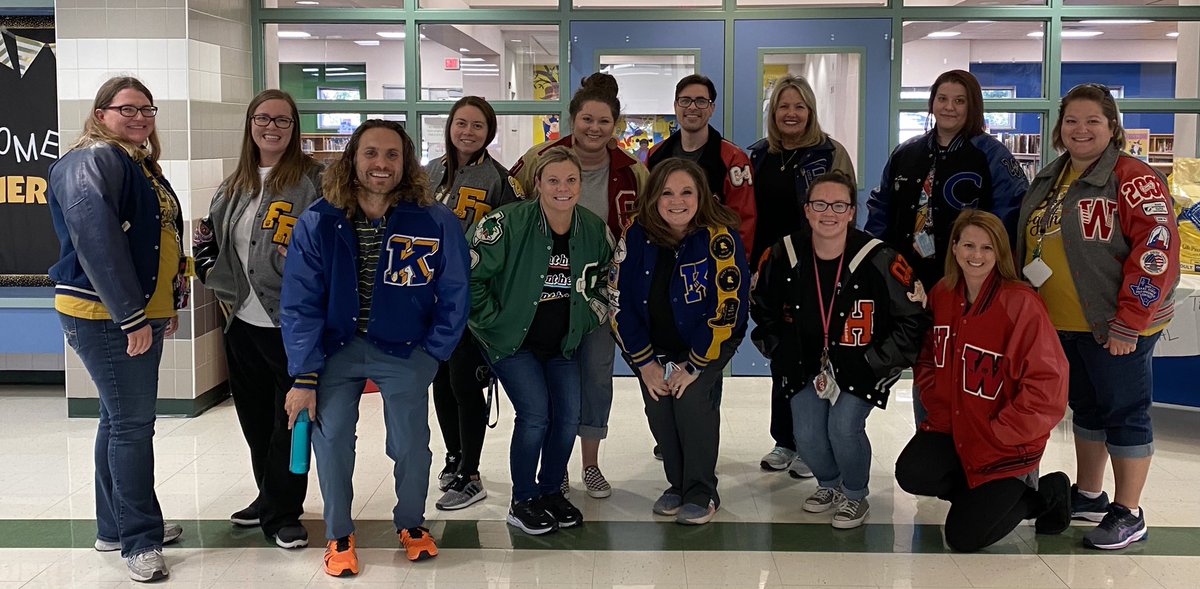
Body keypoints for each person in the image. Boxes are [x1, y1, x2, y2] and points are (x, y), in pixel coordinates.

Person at [280, 120, 470, 576]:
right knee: (333, 443)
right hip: (336, 352)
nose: (381, 164)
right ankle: (339, 533)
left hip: (406, 351)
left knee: (411, 445)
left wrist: (434, 353)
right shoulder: (319, 220)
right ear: (353, 159)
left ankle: (411, 523)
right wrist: (304, 375)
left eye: (391, 155)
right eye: (371, 153)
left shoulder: (434, 219)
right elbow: (299, 301)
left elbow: (457, 290)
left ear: (406, 163)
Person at [1015, 83, 1180, 550]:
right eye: (1071, 121)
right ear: (1059, 128)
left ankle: (1129, 512)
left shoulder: (1134, 177)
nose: (1080, 129)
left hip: (1117, 326)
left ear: (1112, 127)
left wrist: (1130, 321)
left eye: (1092, 121)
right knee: (1085, 409)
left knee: (1124, 414)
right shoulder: (1052, 175)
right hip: (1064, 323)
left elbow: (1157, 251)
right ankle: (1090, 495)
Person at [47, 76, 185, 582]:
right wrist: (131, 316)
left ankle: (116, 525)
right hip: (107, 316)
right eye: (126, 108)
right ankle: (139, 541)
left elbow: (157, 238)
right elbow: (97, 241)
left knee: (116, 420)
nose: (139, 116)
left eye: (146, 108)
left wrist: (166, 302)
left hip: (130, 311)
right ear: (100, 113)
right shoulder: (93, 160)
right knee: (131, 427)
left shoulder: (132, 162)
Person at [750, 171, 928, 529]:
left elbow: (913, 319)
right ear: (806, 209)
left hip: (862, 362)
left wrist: (876, 362)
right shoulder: (782, 253)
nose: (828, 212)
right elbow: (761, 306)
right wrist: (778, 350)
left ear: (851, 211)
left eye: (838, 205)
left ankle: (855, 494)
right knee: (808, 434)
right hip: (805, 363)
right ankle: (829, 485)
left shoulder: (880, 258)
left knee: (844, 426)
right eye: (819, 204)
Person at [895, 210, 1072, 552]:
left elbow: (1048, 385)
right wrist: (936, 403)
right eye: (968, 245)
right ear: (955, 248)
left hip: (1004, 440)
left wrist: (1003, 430)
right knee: (913, 473)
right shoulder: (944, 294)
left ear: (1000, 253)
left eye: (987, 248)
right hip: (956, 429)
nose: (976, 255)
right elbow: (928, 357)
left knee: (963, 538)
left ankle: (1042, 494)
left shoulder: (1020, 303)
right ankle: (982, 500)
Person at [193, 89, 321, 549]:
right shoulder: (235, 184)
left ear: (294, 127)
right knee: (253, 420)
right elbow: (206, 240)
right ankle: (269, 495)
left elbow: (332, 243)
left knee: (291, 422)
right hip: (242, 324)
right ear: (250, 124)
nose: (272, 127)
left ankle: (285, 511)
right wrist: (217, 282)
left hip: (292, 326)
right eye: (263, 118)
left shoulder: (314, 180)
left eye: (283, 121)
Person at [864, 69, 1029, 427]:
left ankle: (973, 440)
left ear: (974, 106)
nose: (949, 108)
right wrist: (873, 266)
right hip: (910, 282)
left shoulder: (993, 156)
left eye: (959, 100)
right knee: (927, 361)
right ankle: (932, 434)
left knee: (966, 361)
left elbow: (1012, 219)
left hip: (967, 283)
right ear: (932, 102)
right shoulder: (906, 153)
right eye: (942, 99)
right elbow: (881, 211)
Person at [511, 72, 648, 499]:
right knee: (552, 381)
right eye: (586, 119)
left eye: (604, 121)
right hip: (544, 292)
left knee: (595, 376)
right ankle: (556, 465)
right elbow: (510, 210)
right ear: (572, 119)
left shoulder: (633, 172)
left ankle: (590, 465)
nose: (594, 128)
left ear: (615, 125)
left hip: (599, 296)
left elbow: (645, 229)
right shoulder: (540, 157)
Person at [470, 146, 613, 535]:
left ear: (581, 185)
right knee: (536, 415)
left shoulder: (594, 229)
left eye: (571, 180)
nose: (562, 188)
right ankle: (524, 499)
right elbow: (470, 279)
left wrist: (585, 321)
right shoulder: (506, 224)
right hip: (512, 344)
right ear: (537, 184)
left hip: (562, 344)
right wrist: (494, 324)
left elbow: (606, 283)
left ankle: (551, 492)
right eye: (553, 180)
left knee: (567, 417)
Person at [611, 158, 750, 525]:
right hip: (652, 346)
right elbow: (618, 302)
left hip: (710, 340)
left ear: (701, 195)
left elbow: (728, 307)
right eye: (667, 192)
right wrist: (645, 363)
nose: (677, 201)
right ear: (654, 196)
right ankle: (677, 484)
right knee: (660, 403)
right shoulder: (635, 235)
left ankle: (702, 490)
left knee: (690, 402)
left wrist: (694, 364)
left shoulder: (720, 237)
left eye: (687, 191)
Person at [747, 74, 856, 478]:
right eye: (782, 106)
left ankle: (816, 443)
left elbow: (846, 209)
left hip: (819, 269)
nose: (790, 114)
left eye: (798, 106)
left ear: (810, 111)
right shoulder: (756, 156)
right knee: (783, 356)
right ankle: (785, 441)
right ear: (772, 113)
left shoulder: (830, 154)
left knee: (821, 355)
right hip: (772, 272)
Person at [424, 96, 524, 511]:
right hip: (428, 299)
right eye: (461, 123)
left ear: (490, 131)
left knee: (466, 384)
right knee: (441, 383)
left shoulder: (501, 180)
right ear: (450, 125)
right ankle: (454, 457)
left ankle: (471, 473)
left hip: (470, 299)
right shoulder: (428, 174)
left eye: (478, 125)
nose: (468, 131)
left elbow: (513, 244)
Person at [647, 74, 757, 248]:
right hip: (662, 252)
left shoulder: (734, 159)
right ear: (676, 106)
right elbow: (648, 209)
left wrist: (737, 263)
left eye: (701, 101)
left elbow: (743, 219)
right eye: (685, 100)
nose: (692, 107)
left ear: (712, 108)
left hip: (714, 255)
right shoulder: (655, 155)